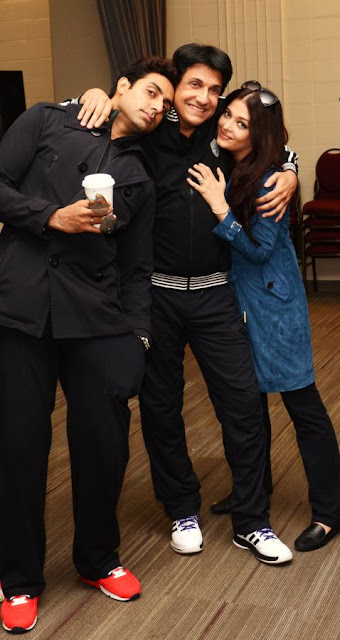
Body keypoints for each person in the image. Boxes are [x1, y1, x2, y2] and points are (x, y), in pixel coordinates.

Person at [77, 44, 298, 565]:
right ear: (175, 87)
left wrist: (288, 168)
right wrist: (96, 95)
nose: (205, 98)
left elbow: (267, 142)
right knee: (161, 409)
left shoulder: (219, 140)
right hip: (156, 297)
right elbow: (98, 122)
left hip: (218, 296)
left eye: (215, 90)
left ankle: (252, 520)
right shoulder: (147, 136)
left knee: (243, 406)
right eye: (195, 85)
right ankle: (181, 508)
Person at [0, 57, 176, 634]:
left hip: (99, 323)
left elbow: (138, 269)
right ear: (121, 87)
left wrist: (139, 339)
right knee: (20, 449)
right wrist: (51, 216)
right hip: (21, 311)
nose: (157, 106)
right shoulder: (47, 121)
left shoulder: (139, 175)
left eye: (165, 104)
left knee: (104, 448)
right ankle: (20, 579)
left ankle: (98, 560)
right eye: (151, 91)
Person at [187, 80, 340, 553]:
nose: (228, 125)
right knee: (247, 408)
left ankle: (331, 511)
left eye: (242, 122)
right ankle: (255, 490)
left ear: (260, 134)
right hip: (237, 307)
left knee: (303, 406)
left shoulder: (270, 178)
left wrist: (218, 206)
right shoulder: (226, 158)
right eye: (227, 114)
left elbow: (259, 249)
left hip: (274, 309)